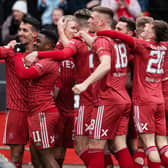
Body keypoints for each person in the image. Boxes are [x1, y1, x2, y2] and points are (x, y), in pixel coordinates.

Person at [97, 19, 168, 168]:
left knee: (149, 144)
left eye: (148, 28)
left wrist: (98, 32)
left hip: (144, 100)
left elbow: (118, 35)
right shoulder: (165, 47)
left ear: (154, 33)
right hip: (159, 99)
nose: (145, 29)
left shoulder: (142, 45)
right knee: (162, 143)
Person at [72, 6, 133, 168]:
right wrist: (87, 37)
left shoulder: (101, 40)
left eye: (92, 18)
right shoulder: (120, 39)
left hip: (107, 99)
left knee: (94, 146)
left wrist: (85, 83)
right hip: (123, 99)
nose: (89, 21)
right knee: (119, 145)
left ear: (101, 21)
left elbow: (105, 64)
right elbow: (103, 46)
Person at [14, 29, 61, 168]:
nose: (35, 44)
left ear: (48, 46)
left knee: (46, 156)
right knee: (36, 157)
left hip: (43, 113)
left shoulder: (47, 62)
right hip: (36, 113)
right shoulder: (41, 60)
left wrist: (17, 53)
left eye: (38, 41)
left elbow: (23, 74)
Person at [1, 16, 40, 168]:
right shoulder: (11, 51)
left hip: (38, 110)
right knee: (16, 155)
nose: (20, 33)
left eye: (25, 30)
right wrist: (5, 46)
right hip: (17, 110)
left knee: (39, 156)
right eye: (19, 30)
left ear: (35, 34)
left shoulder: (43, 52)